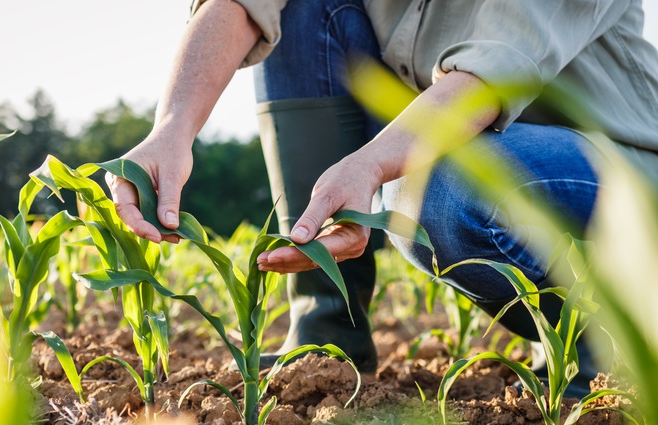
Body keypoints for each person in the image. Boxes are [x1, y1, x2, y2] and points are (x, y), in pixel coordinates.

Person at [107, 0, 658, 396]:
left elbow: (490, 74)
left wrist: (372, 166)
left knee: (436, 189)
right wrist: (174, 127)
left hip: (619, 170)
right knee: (303, 9)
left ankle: (616, 346)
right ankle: (326, 340)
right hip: (470, 147)